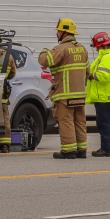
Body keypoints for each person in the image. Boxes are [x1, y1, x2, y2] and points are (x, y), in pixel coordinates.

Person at [38, 18, 89, 159]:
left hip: (65, 94)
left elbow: (44, 60)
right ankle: (82, 150)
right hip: (79, 94)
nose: (57, 33)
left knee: (66, 121)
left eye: (58, 30)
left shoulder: (61, 49)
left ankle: (68, 151)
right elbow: (88, 71)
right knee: (79, 122)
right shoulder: (82, 49)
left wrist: (44, 51)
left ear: (64, 32)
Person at [86, 32, 110, 157]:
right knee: (102, 122)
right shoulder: (103, 57)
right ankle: (105, 147)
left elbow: (103, 76)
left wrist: (90, 75)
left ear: (102, 46)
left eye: (97, 47)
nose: (96, 49)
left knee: (104, 123)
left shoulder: (108, 58)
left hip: (105, 96)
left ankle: (107, 149)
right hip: (103, 96)